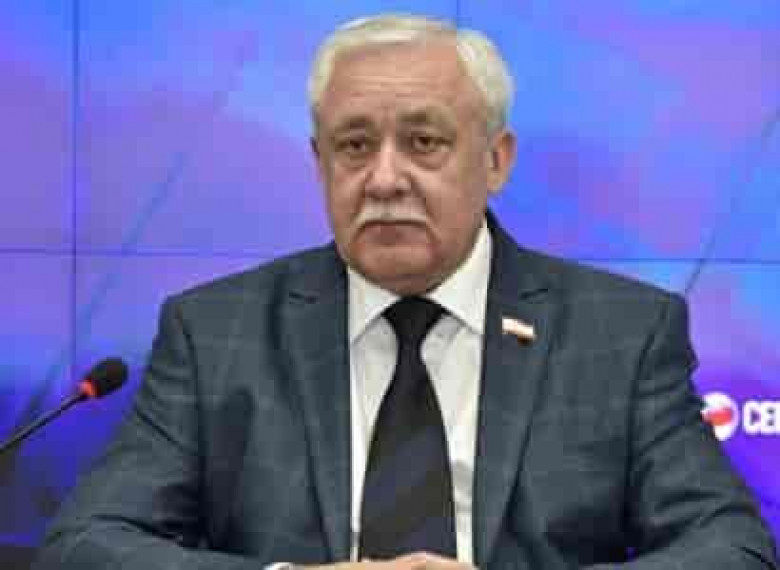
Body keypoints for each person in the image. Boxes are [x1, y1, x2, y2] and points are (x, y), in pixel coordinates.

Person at [33, 13, 777, 570]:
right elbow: (86, 544)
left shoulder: (621, 334)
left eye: (424, 142)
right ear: (320, 162)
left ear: (495, 160)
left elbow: (732, 547)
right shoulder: (215, 334)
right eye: (355, 146)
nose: (384, 179)